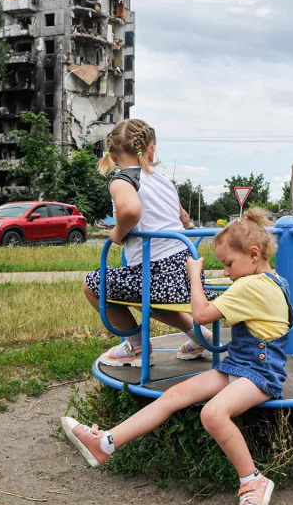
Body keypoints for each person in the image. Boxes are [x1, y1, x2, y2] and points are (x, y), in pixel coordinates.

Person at [62, 208, 291, 505]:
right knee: (173, 395)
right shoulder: (270, 280)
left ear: (253, 255)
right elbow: (226, 303)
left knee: (212, 413)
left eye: (228, 264)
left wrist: (194, 275)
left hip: (261, 373)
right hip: (240, 365)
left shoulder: (251, 286)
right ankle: (105, 443)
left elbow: (201, 315)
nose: (226, 272)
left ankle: (253, 479)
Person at [83, 118, 214, 367]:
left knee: (92, 284)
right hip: (187, 273)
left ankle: (136, 346)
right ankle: (201, 337)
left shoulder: (122, 180)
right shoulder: (164, 179)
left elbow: (131, 210)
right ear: (149, 149)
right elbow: (184, 217)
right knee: (154, 297)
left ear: (111, 154)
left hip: (155, 275)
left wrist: (117, 233)